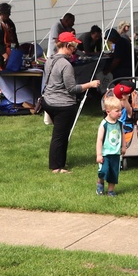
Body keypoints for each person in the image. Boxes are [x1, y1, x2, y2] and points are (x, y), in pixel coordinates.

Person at [42, 32, 100, 173]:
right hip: (62, 105)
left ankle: (59, 162)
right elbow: (72, 88)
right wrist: (90, 84)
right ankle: (57, 167)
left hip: (48, 101)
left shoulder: (49, 60)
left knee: (59, 135)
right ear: (67, 46)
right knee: (60, 136)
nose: (75, 50)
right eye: (73, 47)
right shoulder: (66, 65)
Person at [95, 95, 126, 196]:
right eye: (117, 111)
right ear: (108, 112)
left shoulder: (120, 124)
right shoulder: (104, 124)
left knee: (113, 172)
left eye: (120, 110)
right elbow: (99, 140)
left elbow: (123, 135)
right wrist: (99, 154)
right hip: (105, 153)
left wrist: (123, 147)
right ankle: (100, 183)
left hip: (115, 153)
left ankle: (111, 191)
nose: (120, 113)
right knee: (104, 171)